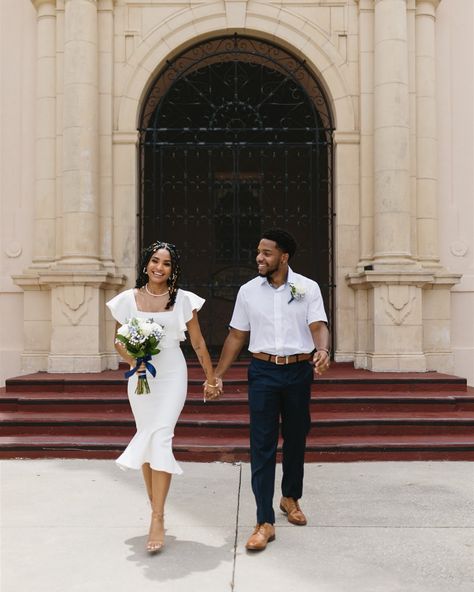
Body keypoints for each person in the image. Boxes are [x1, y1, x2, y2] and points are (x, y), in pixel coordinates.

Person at [214, 228, 330, 551]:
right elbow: (237, 336)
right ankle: (264, 520)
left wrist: (322, 350)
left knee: (295, 436)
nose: (259, 258)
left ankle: (290, 498)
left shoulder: (307, 288)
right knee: (262, 444)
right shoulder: (249, 291)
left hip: (297, 371)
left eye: (266, 253)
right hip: (263, 371)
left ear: (284, 256)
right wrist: (216, 374)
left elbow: (319, 326)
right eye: (258, 252)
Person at [106, 241, 221, 553]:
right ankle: (157, 508)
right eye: (155, 261)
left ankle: (157, 516)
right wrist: (133, 360)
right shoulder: (127, 299)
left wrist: (211, 378)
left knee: (161, 437)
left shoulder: (183, 300)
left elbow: (197, 343)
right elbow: (118, 340)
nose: (160, 267)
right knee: (147, 438)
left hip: (171, 374)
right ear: (146, 264)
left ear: (173, 269)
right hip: (141, 375)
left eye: (167, 263)